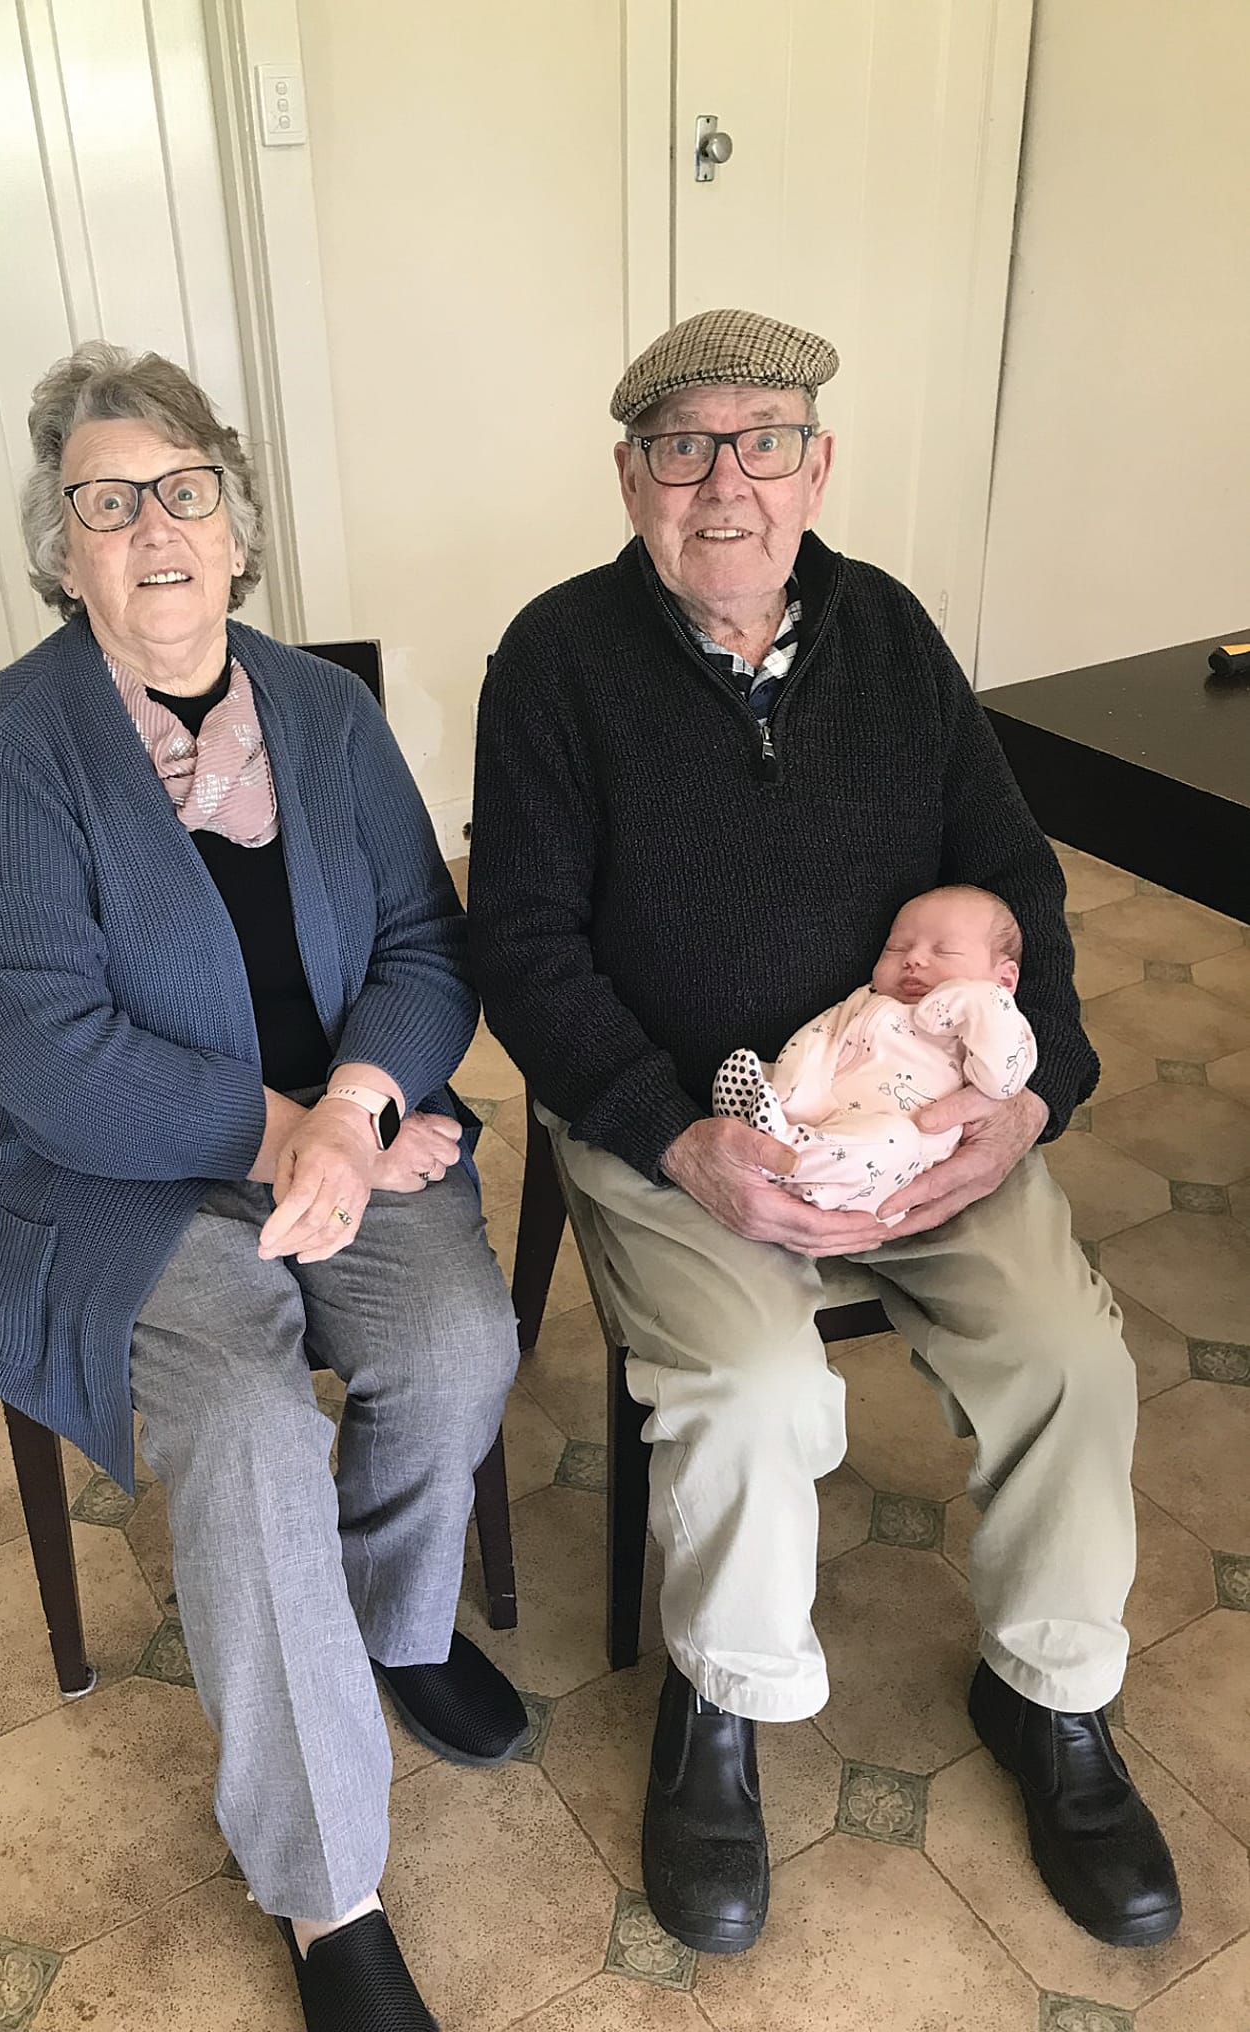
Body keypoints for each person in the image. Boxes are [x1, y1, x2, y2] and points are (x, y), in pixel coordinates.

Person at [468, 308, 1179, 1958]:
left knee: (1067, 1358)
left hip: (921, 1115)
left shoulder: (892, 639)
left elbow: (1011, 888)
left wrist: (1021, 1102)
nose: (723, 482)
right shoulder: (557, 659)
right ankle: (717, 1706)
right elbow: (518, 943)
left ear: (815, 462)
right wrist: (670, 1131)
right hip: (685, 1126)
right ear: (629, 473)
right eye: (680, 444)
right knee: (753, 1385)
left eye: (760, 439)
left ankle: (1049, 1694)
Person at [0, 341, 524, 2032]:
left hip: (342, 1128)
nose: (151, 528)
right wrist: (287, 1136)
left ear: (238, 531)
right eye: (104, 504)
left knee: (456, 1342)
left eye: (182, 490)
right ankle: (327, 1889)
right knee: (254, 1427)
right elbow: (42, 1049)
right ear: (59, 551)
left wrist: (349, 1105)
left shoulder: (324, 713)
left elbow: (421, 942)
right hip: (109, 1176)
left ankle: (390, 1630)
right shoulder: (8, 749)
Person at [712, 885, 1038, 1217]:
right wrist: (789, 1090)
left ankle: (783, 1158)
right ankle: (764, 1124)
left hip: (883, 1171)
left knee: (894, 1140)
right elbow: (819, 1039)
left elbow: (1002, 1082)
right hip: (816, 1117)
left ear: (1005, 978)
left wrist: (984, 1000)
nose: (913, 959)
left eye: (944, 951)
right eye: (896, 948)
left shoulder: (993, 1023)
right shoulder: (866, 1001)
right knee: (781, 1068)